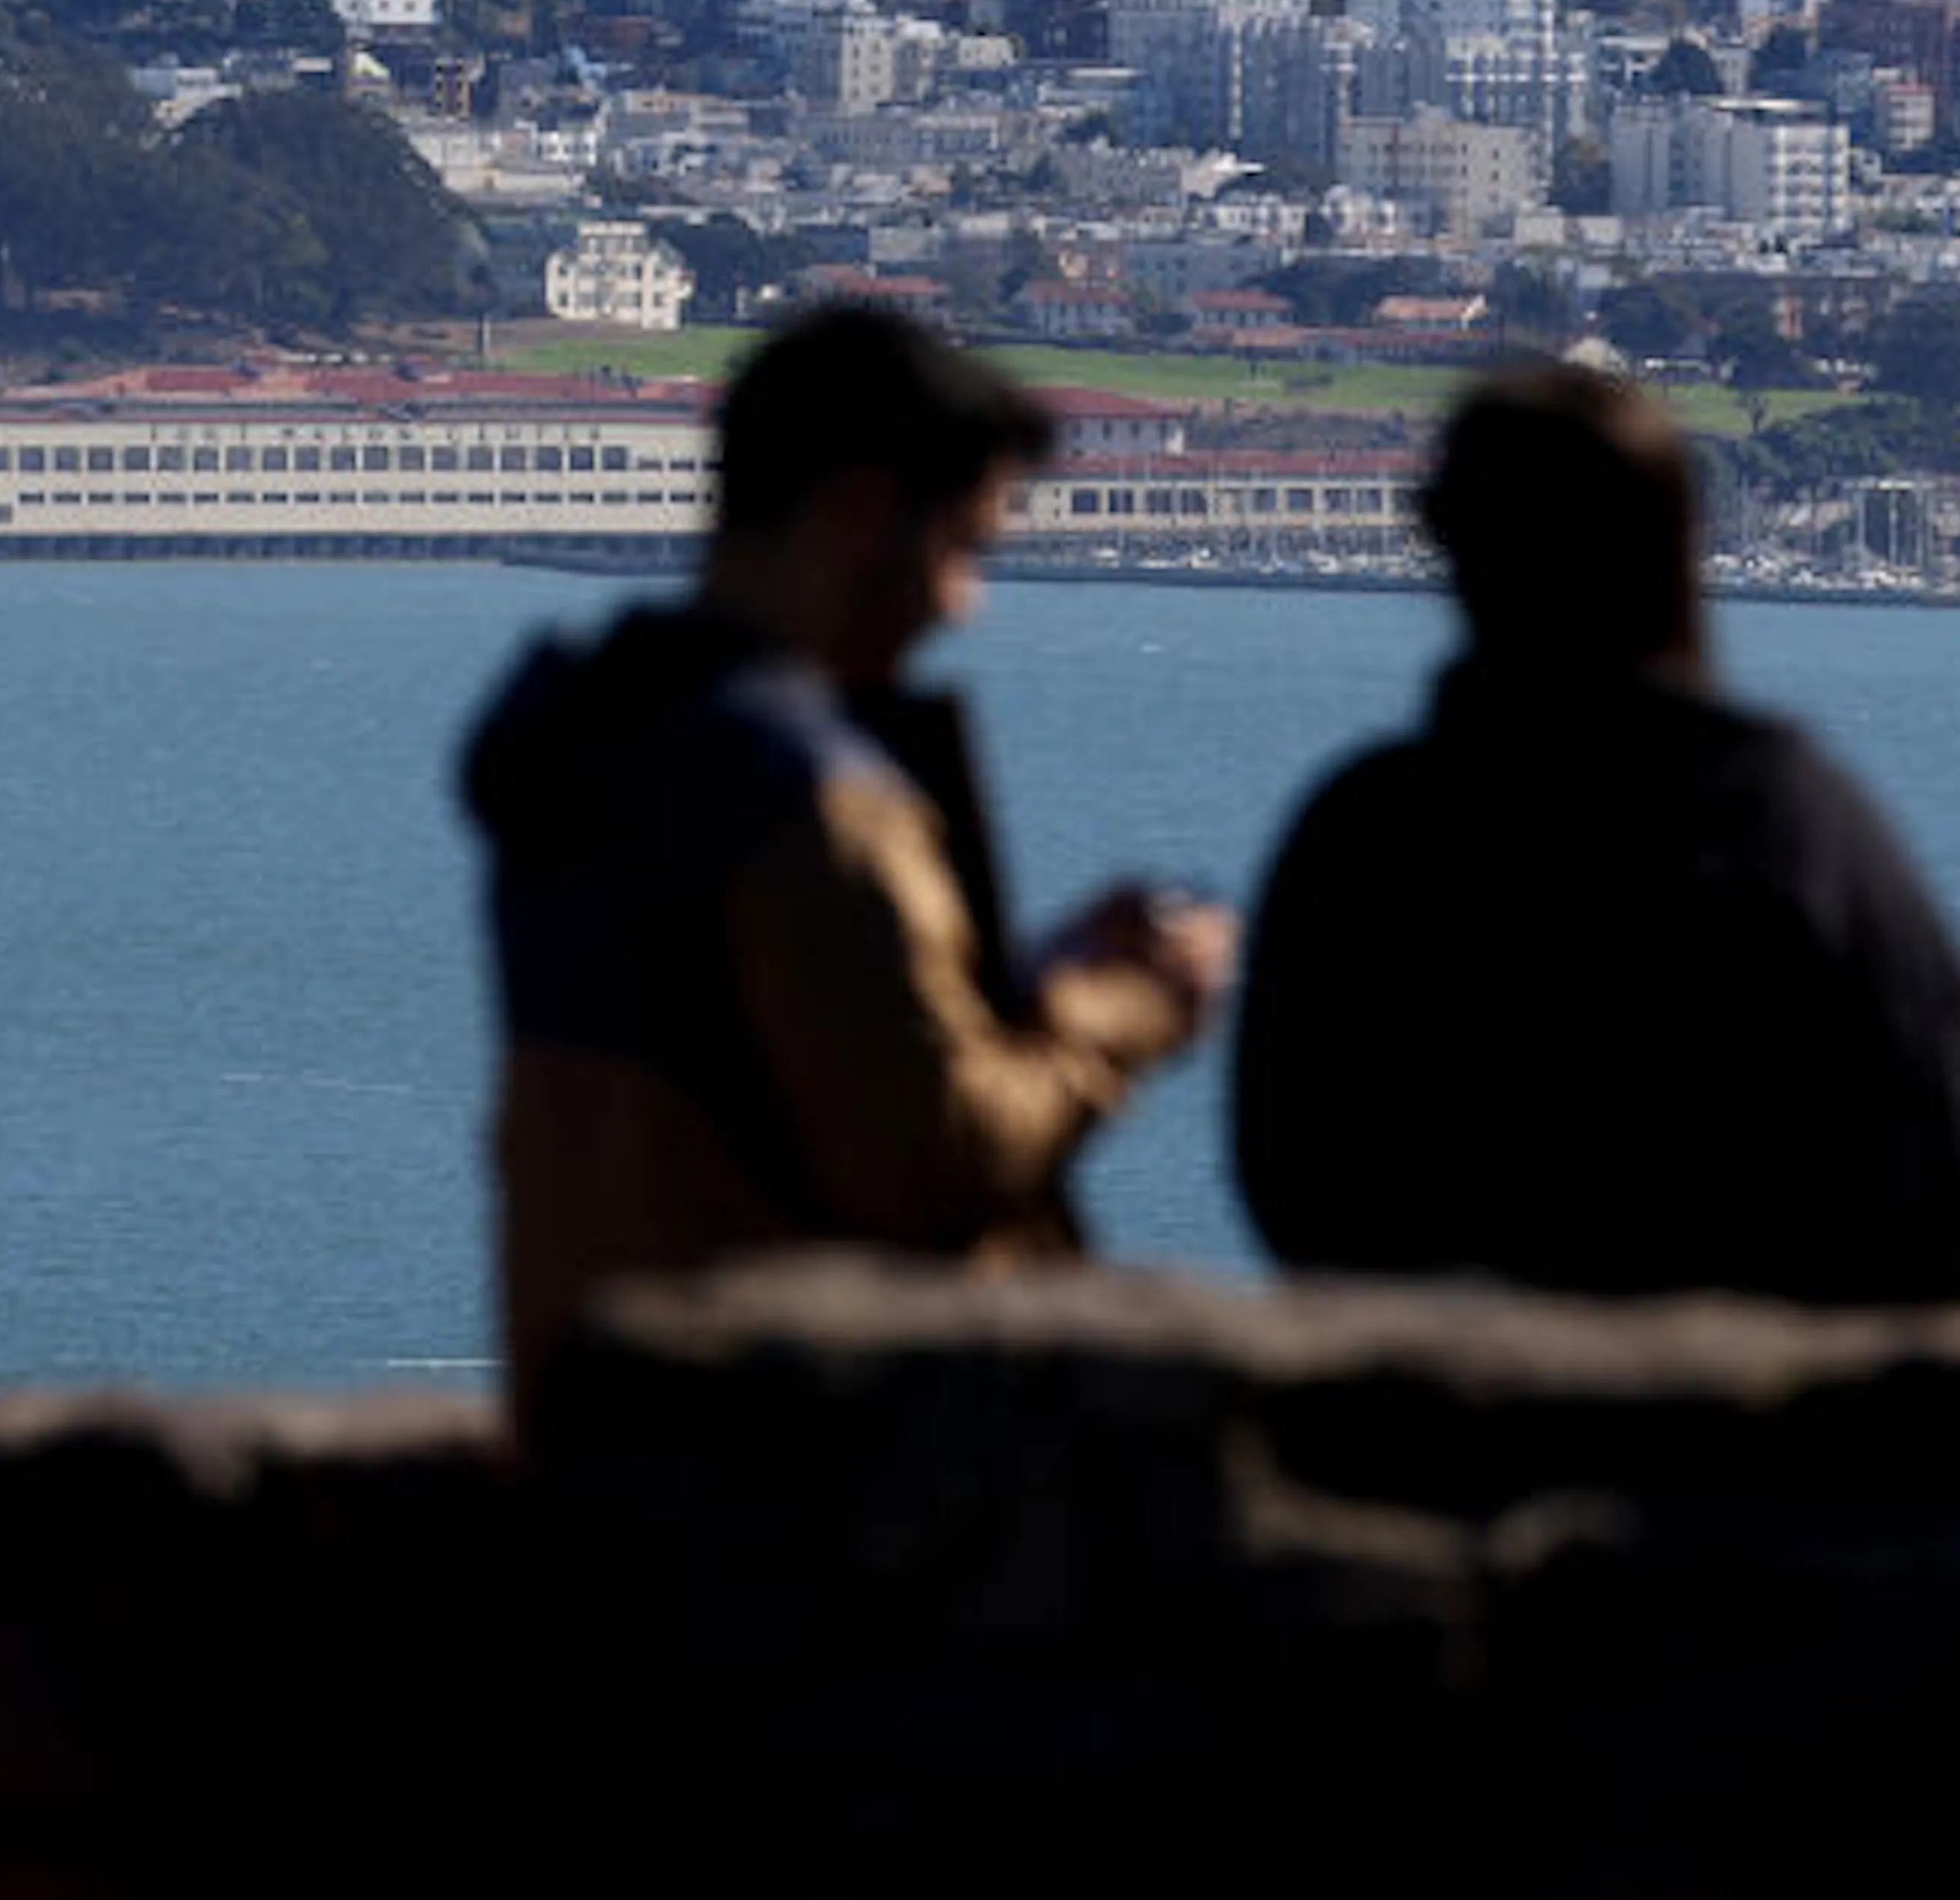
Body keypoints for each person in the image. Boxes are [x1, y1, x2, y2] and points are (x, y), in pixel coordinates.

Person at [461, 302, 1233, 1434]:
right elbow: (933, 1153)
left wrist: (1024, 982)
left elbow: (766, 1068)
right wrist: (1136, 1002)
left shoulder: (586, 737)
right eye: (963, 549)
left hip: (605, 1431)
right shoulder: (813, 806)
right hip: (810, 1486)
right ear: (866, 518)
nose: (963, 603)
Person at [1234, 356, 1960, 1299]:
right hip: (1747, 1420)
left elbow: (1294, 1190)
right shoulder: (1795, 825)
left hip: (1433, 1417)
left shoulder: (1366, 833)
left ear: (1447, 540)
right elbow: (1930, 1165)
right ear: (1674, 545)